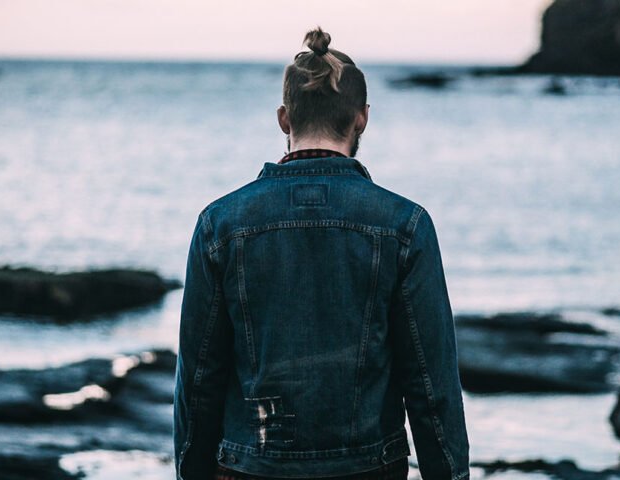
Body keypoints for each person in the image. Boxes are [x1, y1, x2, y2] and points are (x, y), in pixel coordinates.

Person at [173, 27, 469, 480]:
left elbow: (198, 383)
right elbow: (432, 387)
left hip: (250, 468)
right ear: (362, 118)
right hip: (368, 470)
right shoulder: (404, 226)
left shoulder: (221, 224)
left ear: (284, 118)